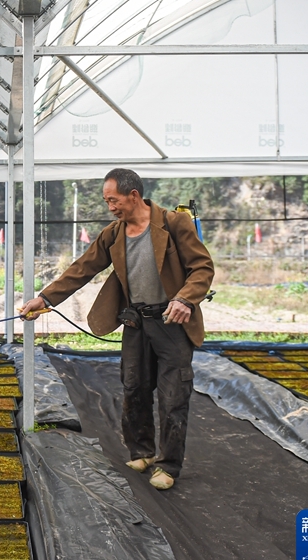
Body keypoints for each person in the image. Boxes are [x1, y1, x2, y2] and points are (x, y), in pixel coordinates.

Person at [19, 168, 214, 490]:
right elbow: (82, 268)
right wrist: (45, 298)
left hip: (172, 322)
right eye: (107, 201)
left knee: (173, 395)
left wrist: (185, 299)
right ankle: (142, 451)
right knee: (134, 387)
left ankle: (168, 465)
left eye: (114, 200)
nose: (110, 207)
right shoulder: (114, 233)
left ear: (133, 195)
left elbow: (202, 267)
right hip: (137, 322)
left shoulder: (173, 224)